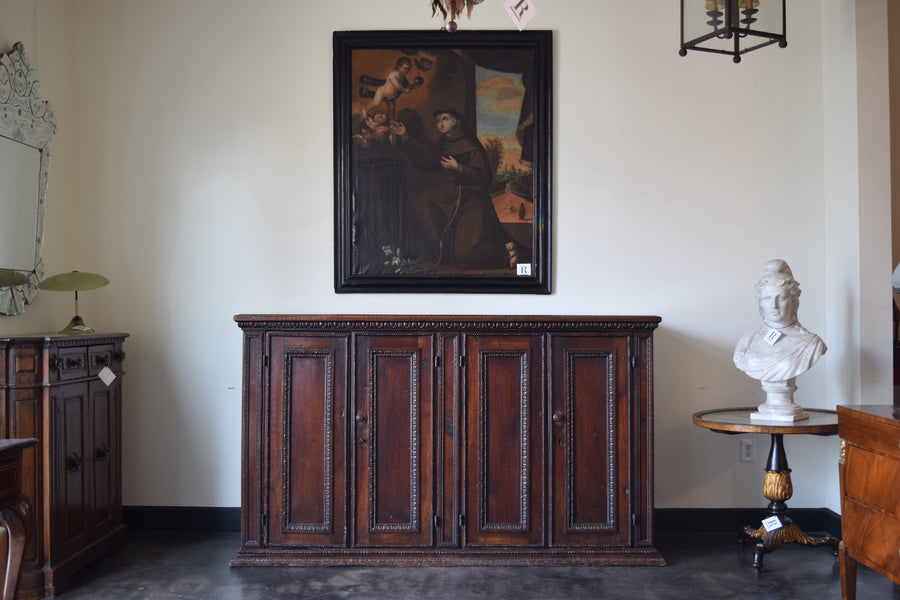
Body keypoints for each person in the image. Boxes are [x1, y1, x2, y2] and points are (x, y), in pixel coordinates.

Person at [389, 107, 515, 270]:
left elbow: (484, 178)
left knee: (467, 253)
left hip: (473, 203)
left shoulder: (470, 145)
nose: (440, 124)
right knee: (453, 251)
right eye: (438, 121)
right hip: (452, 201)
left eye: (445, 119)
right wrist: (406, 136)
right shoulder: (443, 143)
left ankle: (506, 251)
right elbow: (426, 159)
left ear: (456, 121)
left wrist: (459, 168)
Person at [733, 260, 826, 419]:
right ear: (760, 302)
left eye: (781, 298)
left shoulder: (811, 343)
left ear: (794, 301)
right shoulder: (746, 342)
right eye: (767, 298)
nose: (774, 305)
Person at [360, 57, 422, 121]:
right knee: (376, 103)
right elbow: (397, 86)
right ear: (398, 66)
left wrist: (414, 86)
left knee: (392, 107)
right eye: (405, 68)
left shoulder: (403, 78)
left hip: (391, 97)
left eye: (408, 69)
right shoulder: (392, 75)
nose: (407, 71)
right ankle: (365, 110)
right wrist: (405, 90)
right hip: (382, 93)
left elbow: (408, 85)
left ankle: (391, 120)